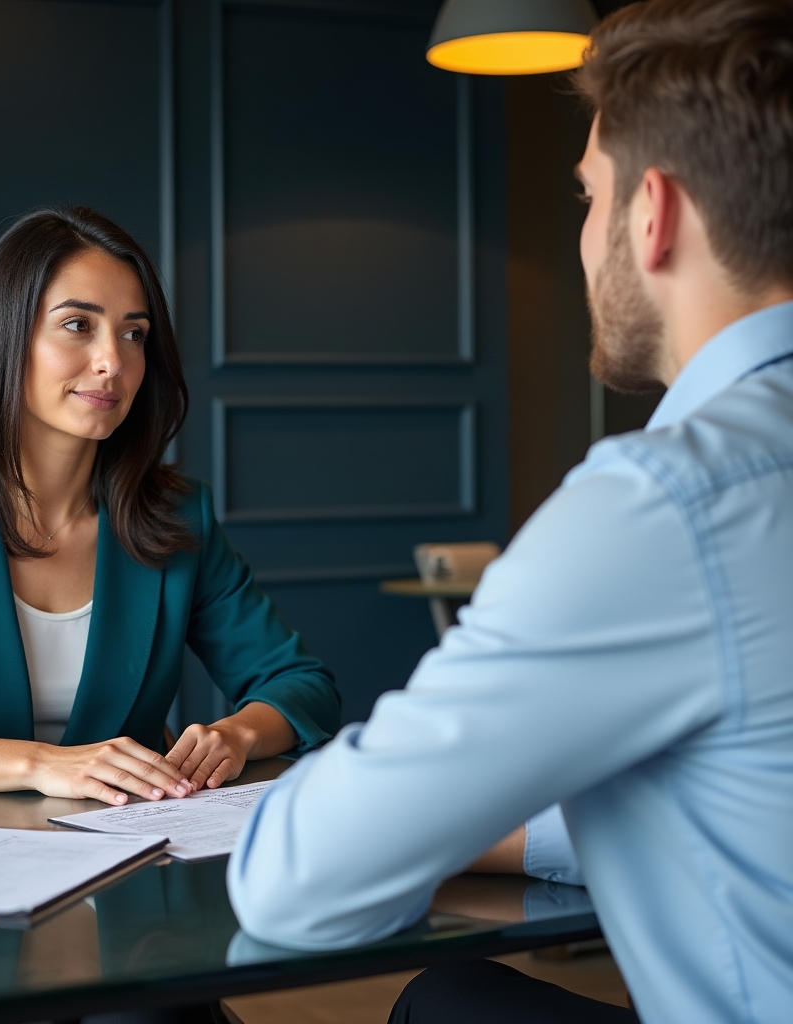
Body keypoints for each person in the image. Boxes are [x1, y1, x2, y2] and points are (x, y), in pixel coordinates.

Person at [226, 1, 793, 1021]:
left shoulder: (665, 502)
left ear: (652, 214)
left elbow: (297, 878)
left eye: (587, 196)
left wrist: (417, 809)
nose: (581, 236)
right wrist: (505, 828)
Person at [0, 206, 340, 803]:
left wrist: (236, 734)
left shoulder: (179, 515)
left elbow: (300, 684)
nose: (113, 361)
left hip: (124, 866)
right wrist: (40, 765)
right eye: (78, 325)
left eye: (134, 334)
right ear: (8, 336)